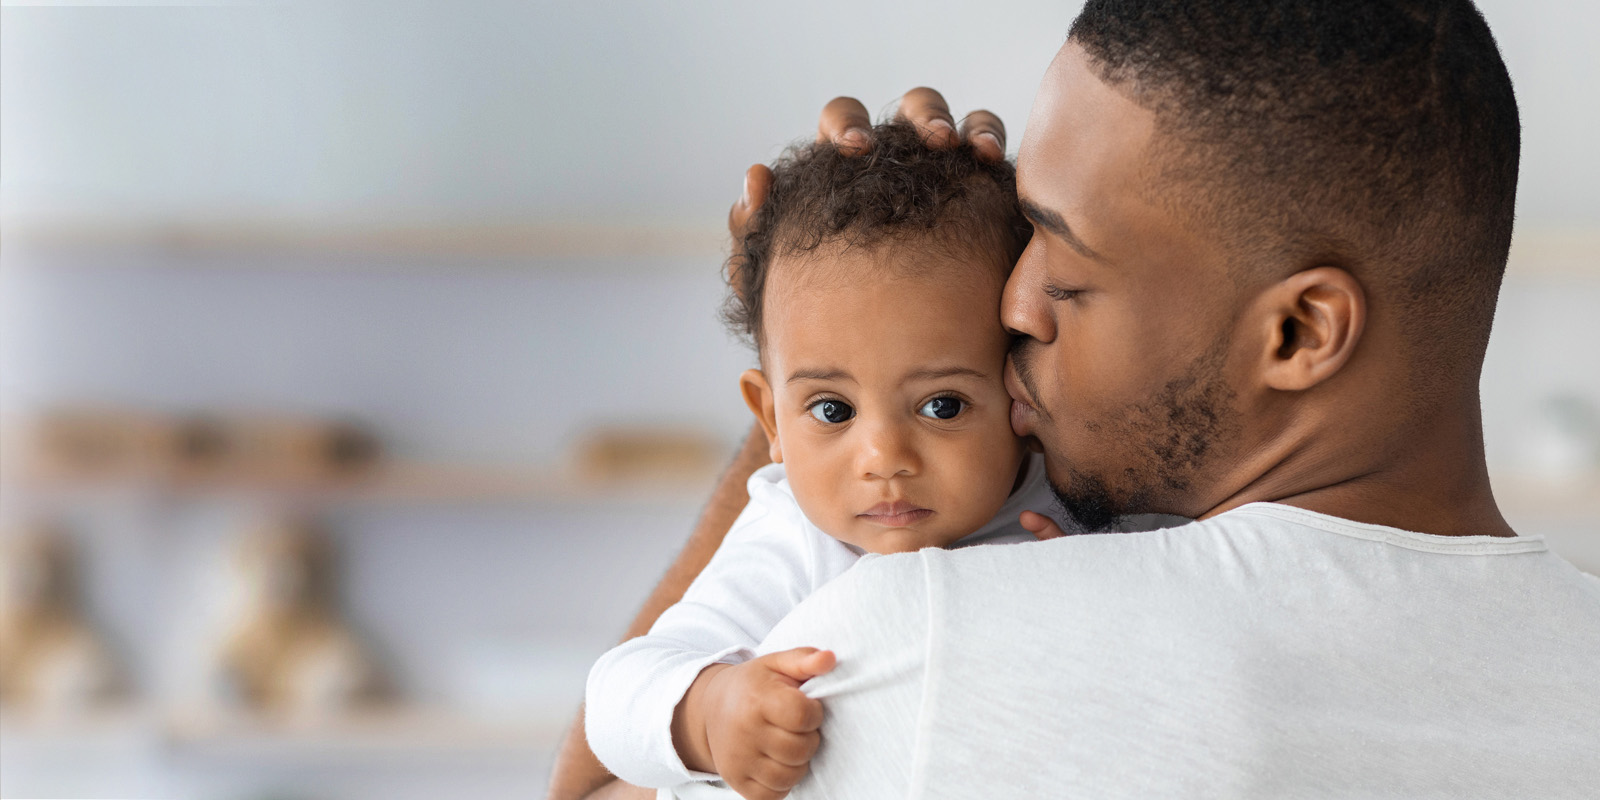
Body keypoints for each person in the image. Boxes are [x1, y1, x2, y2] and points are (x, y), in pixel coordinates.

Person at [550, 2, 1600, 798]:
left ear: (1297, 332)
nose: (1010, 305)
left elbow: (594, 784)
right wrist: (863, 327)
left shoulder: (928, 635)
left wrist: (810, 353)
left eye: (1065, 261)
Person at [586, 120, 1142, 799]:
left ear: (1022, 396)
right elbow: (617, 696)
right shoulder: (793, 537)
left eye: (941, 406)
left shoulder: (1069, 504)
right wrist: (711, 709)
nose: (883, 459)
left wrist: (1104, 586)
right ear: (772, 420)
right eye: (832, 410)